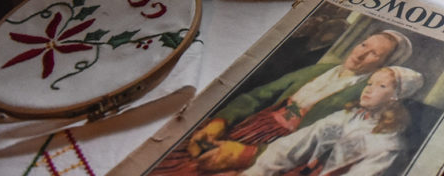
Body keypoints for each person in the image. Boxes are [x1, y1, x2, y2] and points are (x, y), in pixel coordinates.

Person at [152, 30, 412, 174]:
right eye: (363, 44)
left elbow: (322, 146)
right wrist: (221, 121)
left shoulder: (365, 97)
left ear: (384, 65)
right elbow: (259, 95)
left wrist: (251, 154)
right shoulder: (320, 70)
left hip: (277, 150)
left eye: (373, 53)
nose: (361, 53)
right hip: (245, 127)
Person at [239, 65, 424, 176]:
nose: (368, 89)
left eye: (381, 86)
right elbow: (292, 146)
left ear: (396, 96)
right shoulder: (345, 117)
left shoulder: (388, 145)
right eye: (369, 83)